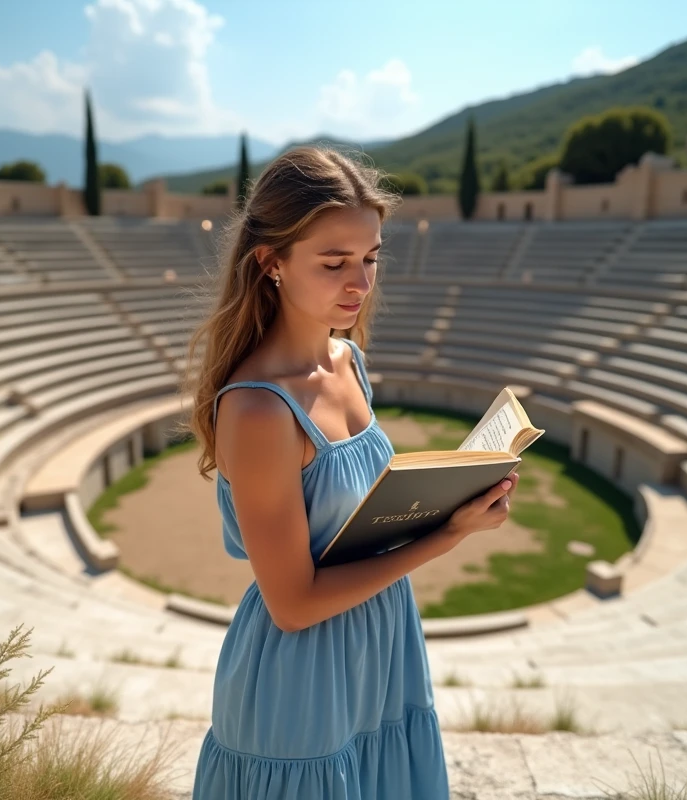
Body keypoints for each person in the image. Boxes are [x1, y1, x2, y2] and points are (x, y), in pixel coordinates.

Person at [183, 145, 519, 798]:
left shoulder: (347, 361)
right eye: (334, 262)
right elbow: (293, 604)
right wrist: (446, 535)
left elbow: (361, 512)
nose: (359, 284)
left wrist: (455, 493)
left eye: (369, 259)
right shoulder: (258, 411)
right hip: (301, 681)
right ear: (270, 262)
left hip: (382, 646)